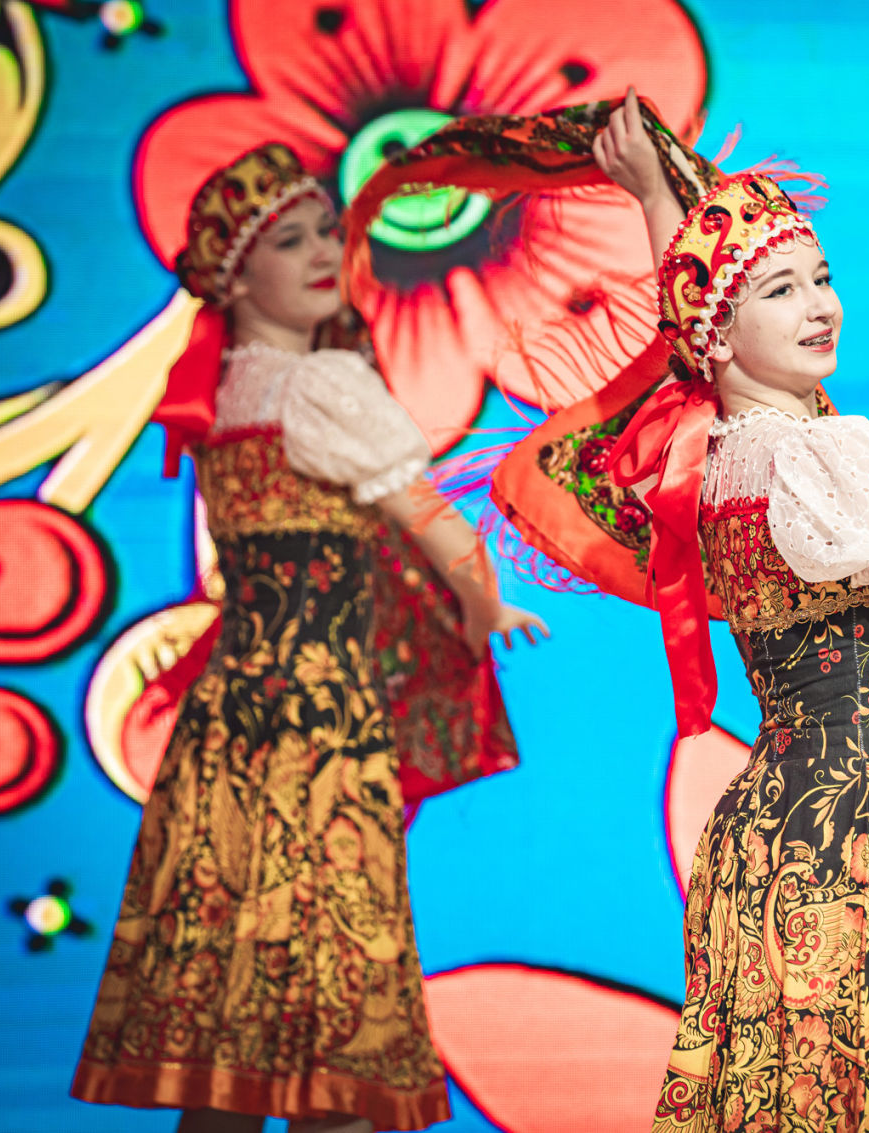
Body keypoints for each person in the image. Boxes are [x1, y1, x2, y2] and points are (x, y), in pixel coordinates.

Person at [344, 88, 869, 1130]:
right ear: (721, 328)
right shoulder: (821, 460)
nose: (819, 304)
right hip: (845, 837)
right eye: (781, 289)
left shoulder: (707, 466)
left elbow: (698, 334)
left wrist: (655, 197)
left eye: (822, 278)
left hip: (780, 828)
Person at [71, 142, 547, 1133]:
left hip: (225, 729)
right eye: (290, 240)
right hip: (321, 727)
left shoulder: (218, 395)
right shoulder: (323, 384)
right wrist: (482, 608)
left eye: (327, 230)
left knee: (230, 1025)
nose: (326, 251)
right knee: (333, 1016)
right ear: (236, 276)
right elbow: (437, 526)